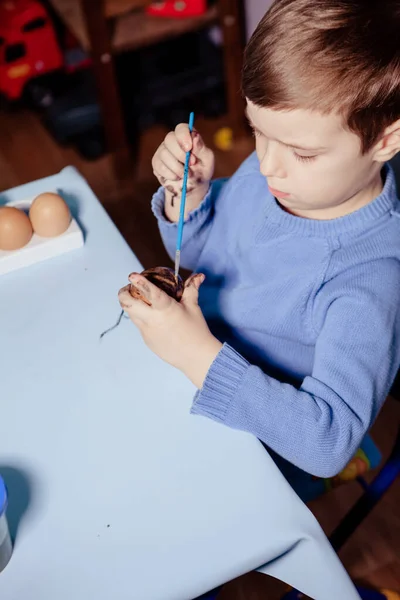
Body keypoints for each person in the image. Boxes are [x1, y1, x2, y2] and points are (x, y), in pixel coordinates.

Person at [118, 0, 400, 484]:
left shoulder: (370, 280)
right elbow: (208, 262)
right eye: (257, 132)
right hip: (189, 379)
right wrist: (191, 201)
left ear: (385, 141)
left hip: (263, 453)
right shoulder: (279, 176)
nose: (266, 164)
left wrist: (193, 351)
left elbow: (326, 444)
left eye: (302, 152)